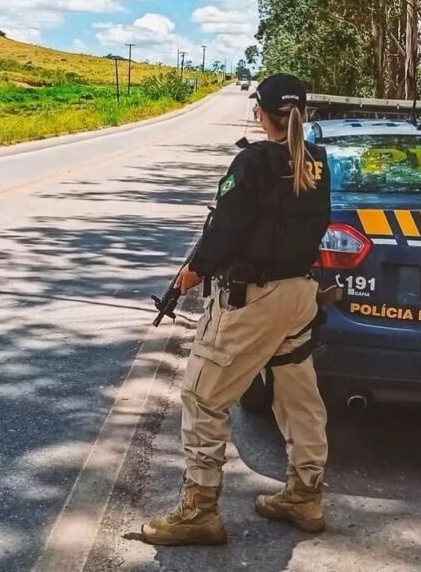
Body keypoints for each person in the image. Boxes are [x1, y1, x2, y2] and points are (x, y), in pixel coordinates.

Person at [142, 73, 332, 546]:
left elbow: (225, 229)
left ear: (261, 113)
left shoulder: (252, 163)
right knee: (297, 393)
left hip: (255, 300)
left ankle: (200, 510)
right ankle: (305, 494)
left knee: (203, 396)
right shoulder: (318, 162)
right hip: (299, 297)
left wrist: (192, 273)